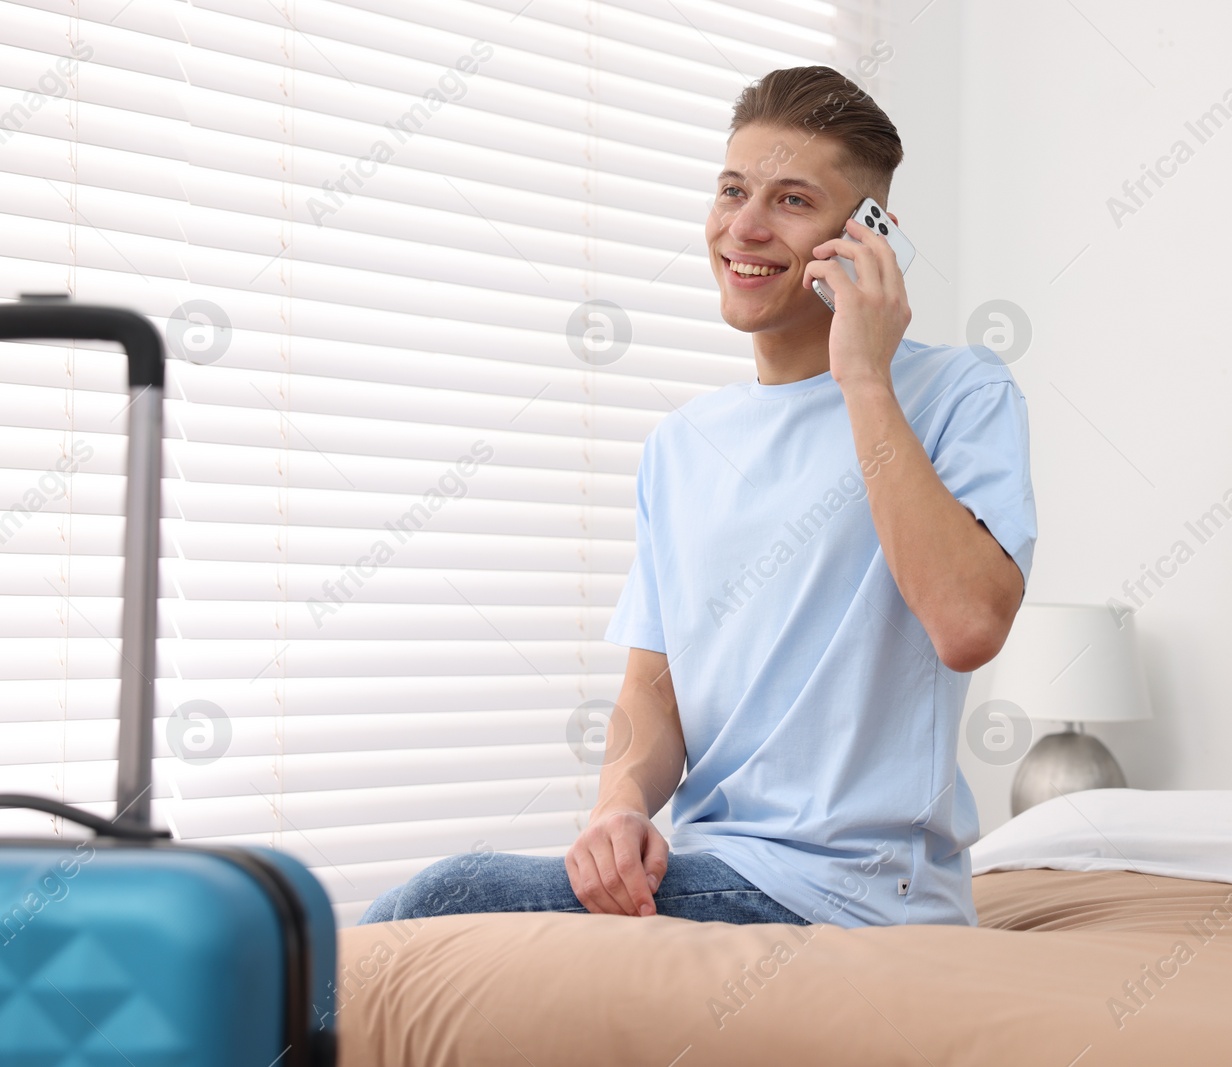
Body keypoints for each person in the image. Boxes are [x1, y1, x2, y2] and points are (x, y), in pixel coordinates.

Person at [361, 64, 1036, 929]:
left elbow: (969, 623)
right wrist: (619, 807)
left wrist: (862, 374)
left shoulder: (959, 392)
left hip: (860, 893)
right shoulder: (680, 447)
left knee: (434, 906)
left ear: (867, 238)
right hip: (713, 866)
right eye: (731, 190)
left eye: (791, 200)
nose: (744, 227)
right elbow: (657, 692)